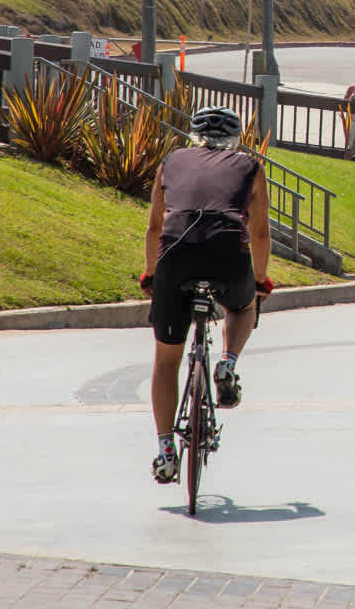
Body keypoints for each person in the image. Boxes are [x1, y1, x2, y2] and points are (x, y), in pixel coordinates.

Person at [140, 106, 274, 484]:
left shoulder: (170, 162)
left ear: (194, 137)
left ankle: (166, 451)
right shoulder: (250, 166)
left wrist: (151, 273)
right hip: (228, 254)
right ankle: (228, 363)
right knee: (244, 305)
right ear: (234, 140)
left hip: (175, 255)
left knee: (167, 360)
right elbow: (261, 234)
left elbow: (154, 227)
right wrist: (260, 280)